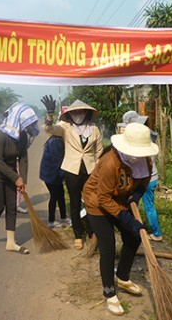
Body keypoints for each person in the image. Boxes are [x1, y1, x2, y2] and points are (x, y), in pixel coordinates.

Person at [83, 122, 158, 316]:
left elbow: (144, 182)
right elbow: (103, 198)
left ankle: (122, 277)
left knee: (133, 237)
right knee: (108, 247)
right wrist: (126, 218)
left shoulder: (146, 160)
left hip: (119, 199)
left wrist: (138, 194)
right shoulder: (110, 163)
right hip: (97, 202)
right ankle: (109, 291)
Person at [41, 95, 103, 250]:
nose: (78, 115)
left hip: (90, 170)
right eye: (75, 112)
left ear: (86, 113)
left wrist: (97, 168)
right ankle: (78, 235)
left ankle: (92, 230)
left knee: (91, 202)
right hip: (72, 170)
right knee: (75, 203)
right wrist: (50, 114)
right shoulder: (65, 127)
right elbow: (49, 129)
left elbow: (99, 151)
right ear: (69, 114)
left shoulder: (94, 129)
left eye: (81, 112)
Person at [0, 102, 40, 255]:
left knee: (12, 206)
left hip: (9, 172)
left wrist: (24, 180)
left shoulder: (21, 136)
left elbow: (23, 159)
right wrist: (16, 178)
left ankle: (11, 242)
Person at [121, 111, 163, 242]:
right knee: (138, 205)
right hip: (151, 177)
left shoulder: (140, 138)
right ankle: (136, 227)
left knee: (145, 206)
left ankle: (156, 233)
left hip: (145, 179)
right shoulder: (147, 134)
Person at [39, 134, 70, 229]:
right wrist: (64, 176)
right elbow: (58, 161)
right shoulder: (55, 141)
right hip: (50, 174)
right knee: (55, 196)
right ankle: (51, 221)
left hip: (53, 174)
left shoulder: (58, 139)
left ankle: (63, 217)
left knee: (60, 195)